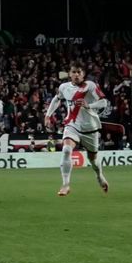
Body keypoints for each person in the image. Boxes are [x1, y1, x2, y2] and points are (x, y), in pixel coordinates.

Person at [43, 64, 110, 197]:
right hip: (72, 125)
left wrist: (89, 105)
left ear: (83, 74)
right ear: (69, 74)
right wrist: (48, 115)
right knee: (67, 149)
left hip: (90, 128)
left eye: (79, 72)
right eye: (74, 72)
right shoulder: (64, 87)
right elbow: (57, 99)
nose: (76, 75)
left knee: (93, 160)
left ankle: (99, 175)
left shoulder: (90, 86)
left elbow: (104, 102)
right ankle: (65, 184)